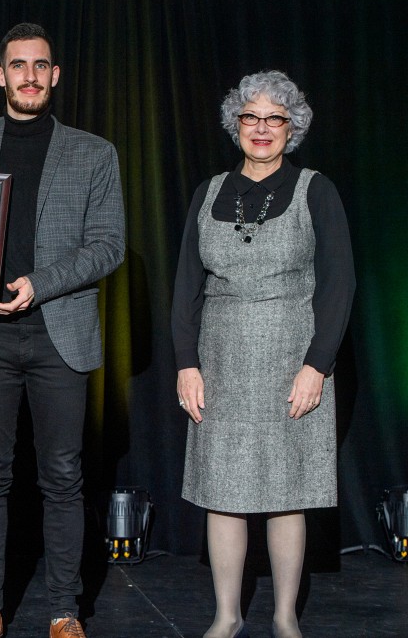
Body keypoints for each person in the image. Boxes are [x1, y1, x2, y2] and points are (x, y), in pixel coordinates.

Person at [0, 23, 125, 638]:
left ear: (55, 75)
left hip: (59, 332)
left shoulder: (94, 152)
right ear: (0, 75)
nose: (29, 75)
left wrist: (38, 284)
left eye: (40, 66)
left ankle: (63, 611)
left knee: (63, 475)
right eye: (17, 65)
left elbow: (109, 247)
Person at [171, 70, 355, 638]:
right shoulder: (208, 191)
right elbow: (185, 288)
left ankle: (283, 617)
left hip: (290, 360)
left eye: (275, 118)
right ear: (235, 123)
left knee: (285, 491)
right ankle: (227, 616)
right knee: (221, 492)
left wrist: (316, 366)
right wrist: (186, 363)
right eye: (251, 116)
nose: (261, 128)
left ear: (292, 127)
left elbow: (339, 284)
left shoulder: (315, 190)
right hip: (220, 360)